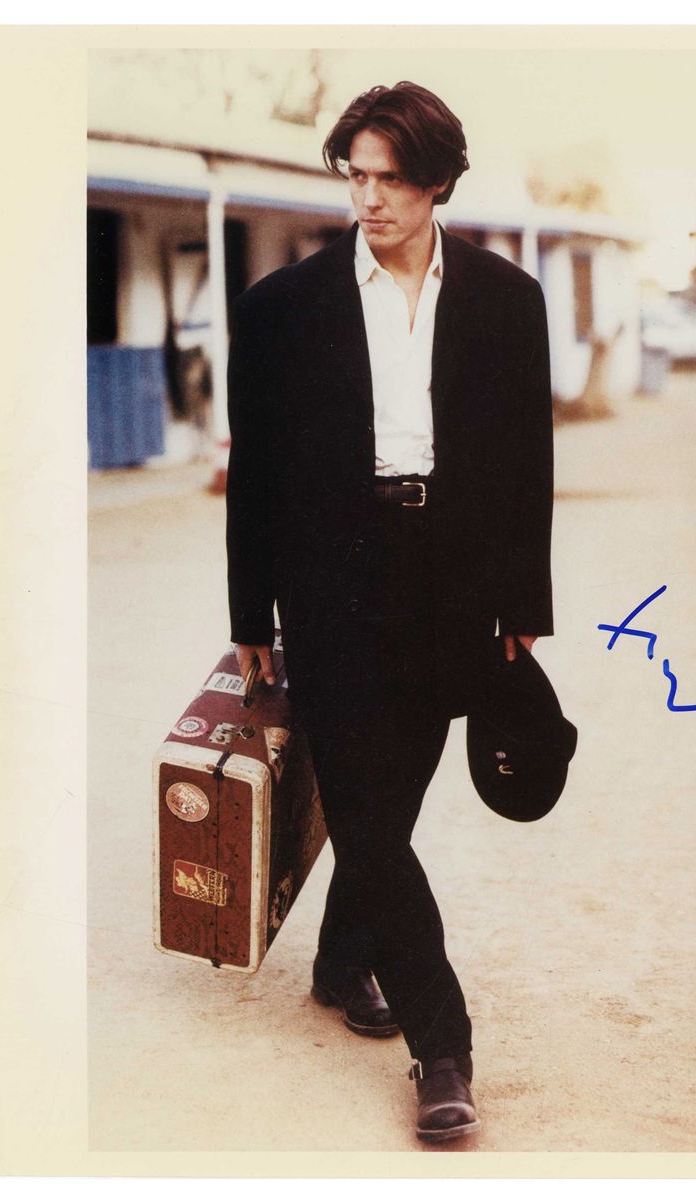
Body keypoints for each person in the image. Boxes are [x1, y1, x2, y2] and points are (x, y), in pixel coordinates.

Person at [225, 81, 554, 1143]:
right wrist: (252, 614)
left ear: (439, 182)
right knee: (367, 813)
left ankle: (337, 963)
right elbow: (256, 473)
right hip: (332, 579)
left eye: (392, 179)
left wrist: (524, 600)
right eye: (356, 176)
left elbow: (526, 460)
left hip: (451, 580)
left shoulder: (508, 299)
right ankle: (444, 1049)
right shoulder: (282, 307)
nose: (368, 199)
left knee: (387, 809)